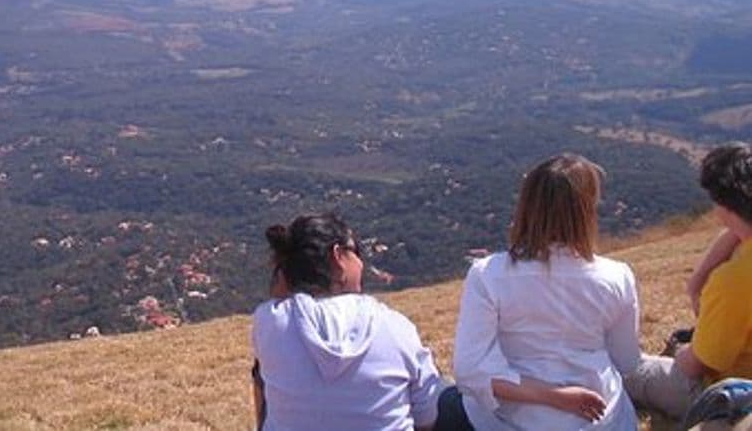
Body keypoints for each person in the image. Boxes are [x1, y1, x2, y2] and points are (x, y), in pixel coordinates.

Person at [453, 153, 641, 431]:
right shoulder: (617, 276)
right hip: (602, 419)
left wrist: (552, 397)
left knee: (445, 400)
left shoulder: (488, 275)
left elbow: (469, 372)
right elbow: (626, 360)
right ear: (587, 210)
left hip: (512, 420)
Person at [251, 212, 465, 431]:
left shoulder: (268, 322)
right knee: (445, 393)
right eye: (356, 252)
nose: (361, 262)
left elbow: (282, 298)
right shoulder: (395, 327)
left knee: (263, 377)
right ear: (338, 257)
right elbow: (426, 420)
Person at [625, 143, 752, 427]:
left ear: (721, 206)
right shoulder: (739, 253)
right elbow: (737, 230)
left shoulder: (733, 280)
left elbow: (700, 365)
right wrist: (698, 282)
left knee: (629, 370)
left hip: (730, 392)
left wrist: (680, 351)